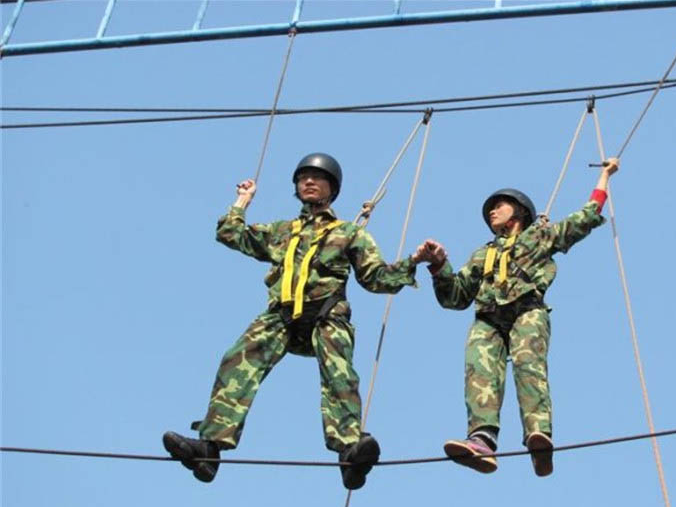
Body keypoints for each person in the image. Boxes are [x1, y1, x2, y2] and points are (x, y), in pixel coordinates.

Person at [163, 153, 420, 489]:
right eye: (303, 178)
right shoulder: (282, 232)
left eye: (317, 177)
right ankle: (208, 449)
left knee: (339, 375)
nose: (309, 182)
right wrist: (242, 201)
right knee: (237, 359)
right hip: (281, 317)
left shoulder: (348, 233)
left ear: (332, 188)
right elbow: (230, 233)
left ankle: (350, 452)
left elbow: (376, 278)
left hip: (326, 315)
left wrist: (413, 262)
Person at [414, 158, 620, 477]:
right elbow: (455, 297)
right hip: (489, 319)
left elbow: (585, 217)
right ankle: (481, 440)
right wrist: (439, 266)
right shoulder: (483, 255)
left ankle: (538, 437)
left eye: (500, 205)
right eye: (490, 209)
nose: (492, 211)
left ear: (520, 212)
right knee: (479, 369)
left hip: (526, 310)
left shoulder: (539, 237)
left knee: (528, 365)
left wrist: (605, 176)